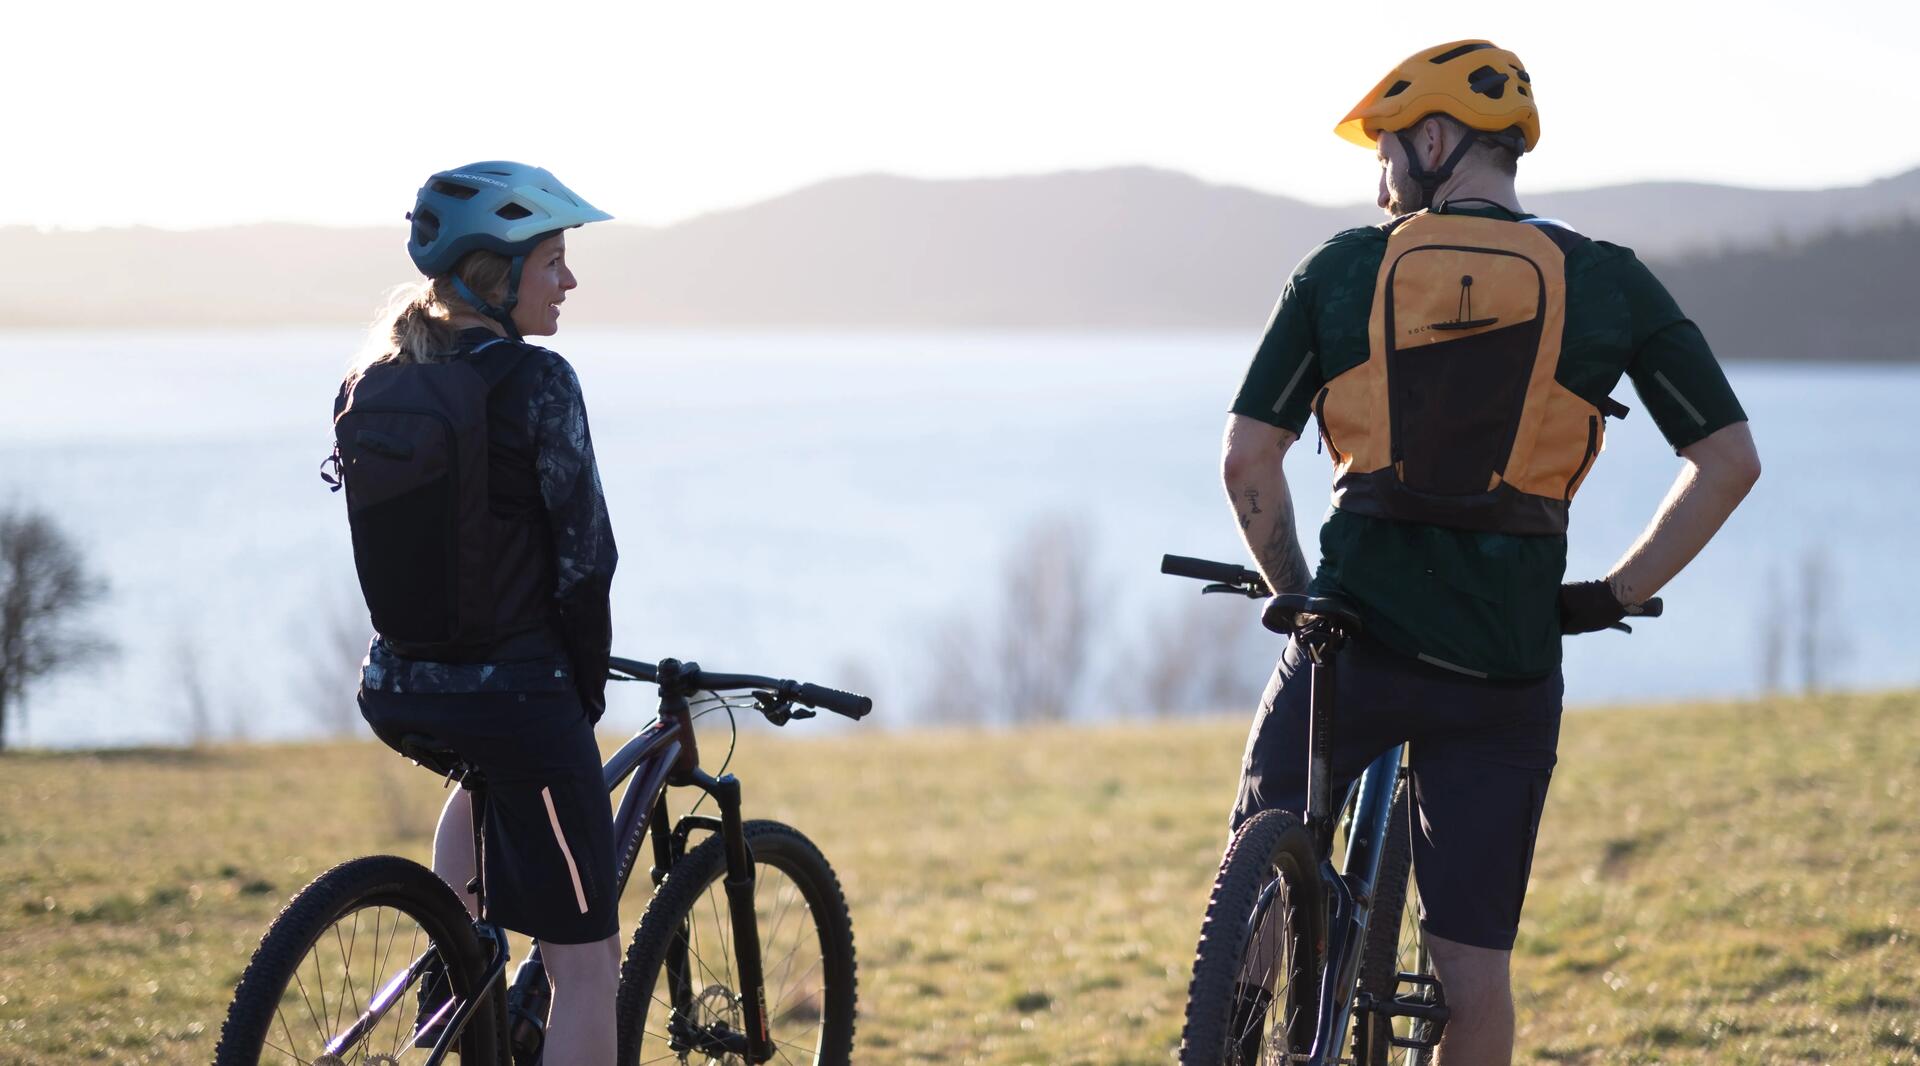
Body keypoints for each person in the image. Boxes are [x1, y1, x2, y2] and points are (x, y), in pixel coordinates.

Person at [1219, 41, 1761, 1064]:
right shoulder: (1607, 282)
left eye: (1384, 151)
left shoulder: (1345, 268)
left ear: (1435, 139)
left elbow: (1249, 461)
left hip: (1355, 647)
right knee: (1472, 968)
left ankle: (1228, 1041)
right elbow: (1728, 461)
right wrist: (1610, 593)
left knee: (1256, 878)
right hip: (1505, 669)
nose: (1380, 180)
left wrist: (1302, 597)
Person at [334, 161, 621, 1063]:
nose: (569, 282)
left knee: (480, 780)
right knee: (587, 969)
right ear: (495, 276)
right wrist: (582, 690)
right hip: (516, 698)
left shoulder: (377, 377)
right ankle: (470, 976)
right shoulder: (539, 382)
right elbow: (585, 560)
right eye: (553, 262)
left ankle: (457, 969)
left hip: (398, 688)